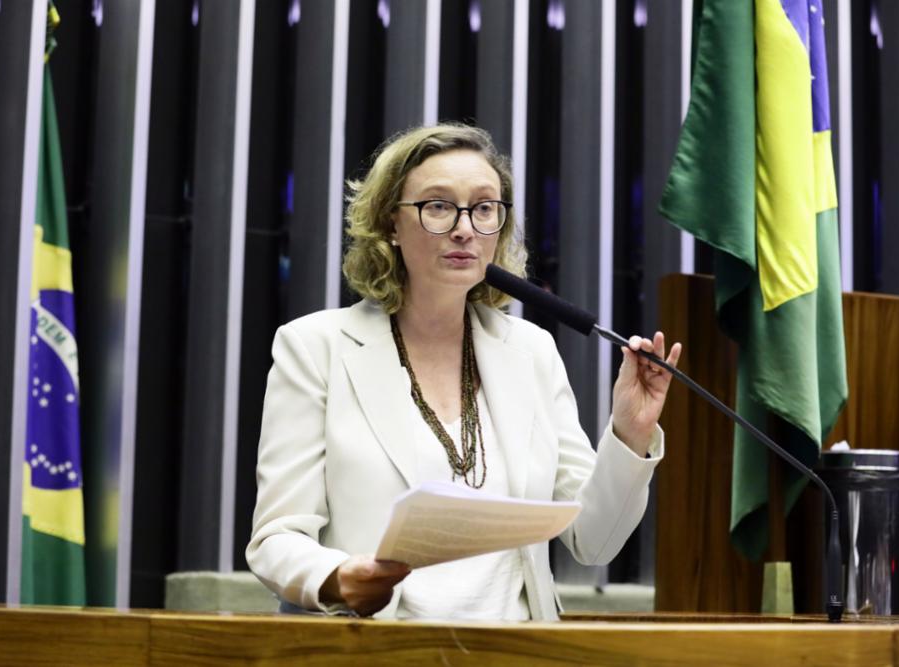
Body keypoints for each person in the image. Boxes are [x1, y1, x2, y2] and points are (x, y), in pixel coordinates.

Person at [246, 123, 682, 621]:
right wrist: (339, 578)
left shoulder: (532, 352)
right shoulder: (315, 348)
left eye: (483, 208)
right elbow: (277, 538)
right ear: (391, 223)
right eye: (437, 206)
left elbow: (595, 540)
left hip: (513, 650)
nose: (464, 228)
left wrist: (630, 431)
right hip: (378, 647)